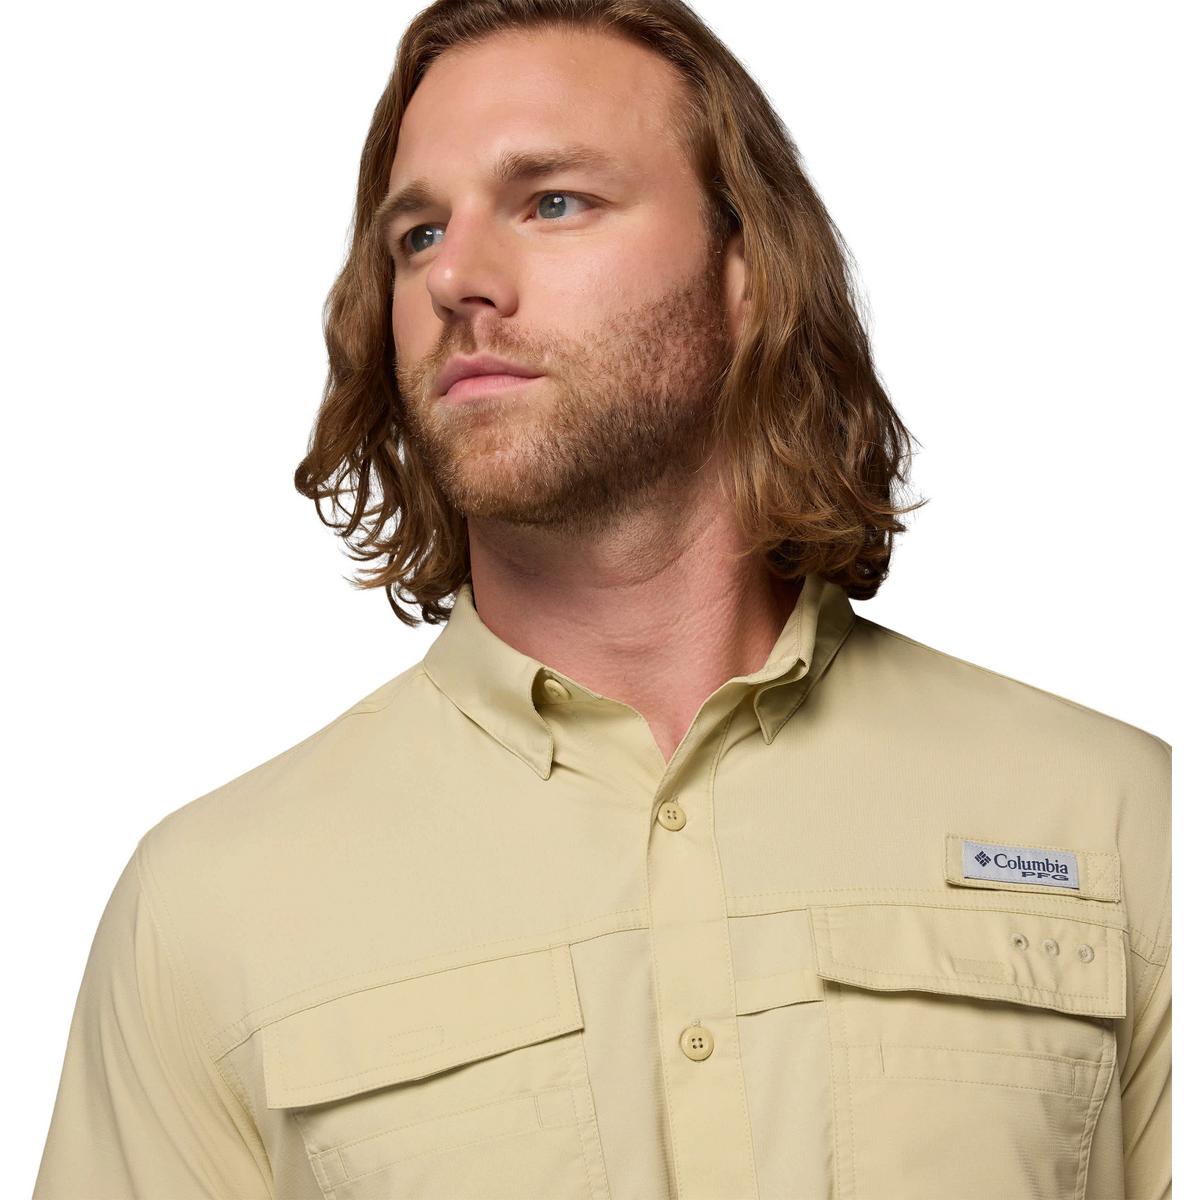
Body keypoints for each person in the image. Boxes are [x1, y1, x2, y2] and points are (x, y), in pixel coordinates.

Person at [34, 1, 1170, 1197]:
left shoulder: (1120, 821)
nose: (456, 277)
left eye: (553, 202)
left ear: (747, 274)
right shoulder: (206, 909)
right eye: (419, 234)